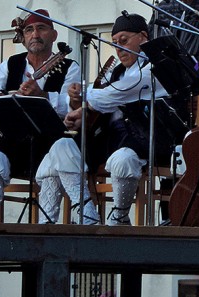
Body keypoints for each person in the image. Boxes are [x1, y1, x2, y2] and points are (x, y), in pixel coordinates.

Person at [36, 13, 174, 226]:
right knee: (59, 147)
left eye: (124, 40)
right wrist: (78, 102)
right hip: (110, 138)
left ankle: (119, 218)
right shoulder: (115, 73)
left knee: (122, 160)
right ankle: (83, 215)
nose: (119, 48)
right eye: (115, 43)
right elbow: (100, 97)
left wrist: (83, 100)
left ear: (143, 37)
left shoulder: (153, 68)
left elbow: (116, 93)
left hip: (144, 136)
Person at [0, 9, 81, 223]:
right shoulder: (11, 64)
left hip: (52, 143)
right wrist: (7, 95)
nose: (35, 34)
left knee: (52, 170)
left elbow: (72, 106)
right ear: (23, 37)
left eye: (41, 28)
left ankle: (46, 228)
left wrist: (43, 95)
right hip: (16, 142)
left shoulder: (69, 67)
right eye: (29, 30)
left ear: (54, 35)